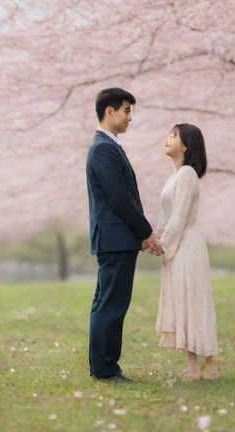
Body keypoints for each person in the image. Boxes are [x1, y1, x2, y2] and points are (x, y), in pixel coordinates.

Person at [86, 87, 162, 382]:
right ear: (110, 111)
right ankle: (106, 370)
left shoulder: (107, 145)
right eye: (127, 110)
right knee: (112, 305)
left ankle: (103, 367)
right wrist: (146, 232)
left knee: (108, 303)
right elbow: (120, 199)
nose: (130, 117)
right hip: (115, 239)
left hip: (115, 239)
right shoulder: (104, 148)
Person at [154, 123, 218, 380]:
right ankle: (192, 366)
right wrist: (155, 238)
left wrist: (163, 243)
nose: (167, 139)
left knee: (195, 302)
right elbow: (166, 215)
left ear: (186, 146)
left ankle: (211, 363)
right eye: (168, 134)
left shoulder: (188, 173)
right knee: (183, 303)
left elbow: (179, 217)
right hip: (175, 246)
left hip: (187, 246)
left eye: (173, 136)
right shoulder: (175, 176)